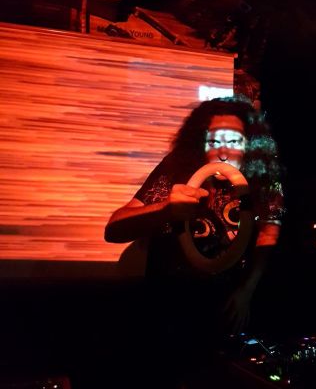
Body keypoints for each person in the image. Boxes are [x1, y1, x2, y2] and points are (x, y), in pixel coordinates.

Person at [104, 94, 286, 341]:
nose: (224, 152)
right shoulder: (177, 168)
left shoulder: (262, 176)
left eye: (234, 141)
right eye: (214, 141)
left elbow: (269, 232)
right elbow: (113, 230)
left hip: (230, 307)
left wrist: (247, 290)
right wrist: (165, 209)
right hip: (171, 310)